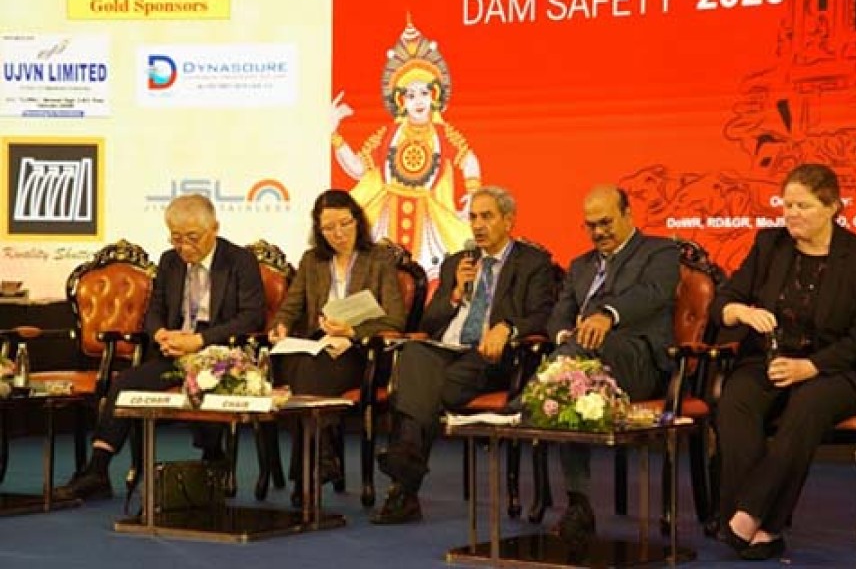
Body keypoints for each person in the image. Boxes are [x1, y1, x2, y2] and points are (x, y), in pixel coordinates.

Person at [713, 163, 856, 560]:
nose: (791, 213)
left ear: (833, 207)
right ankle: (759, 526)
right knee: (736, 400)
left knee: (807, 405)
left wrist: (810, 367)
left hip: (833, 369)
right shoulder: (769, 244)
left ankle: (753, 516)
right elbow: (723, 302)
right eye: (787, 204)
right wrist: (741, 312)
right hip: (769, 359)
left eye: (803, 206)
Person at [56, 194, 266, 500]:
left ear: (214, 228)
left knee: (203, 382)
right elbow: (153, 312)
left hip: (220, 352)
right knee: (125, 383)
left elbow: (251, 316)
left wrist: (199, 341)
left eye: (192, 238)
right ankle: (97, 470)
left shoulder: (239, 261)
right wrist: (162, 335)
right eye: (176, 238)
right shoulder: (169, 261)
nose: (184, 247)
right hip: (175, 349)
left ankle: (213, 456)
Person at [370, 185, 555, 524]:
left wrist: (508, 327)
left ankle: (404, 480)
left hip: (490, 354)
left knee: (426, 389)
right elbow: (429, 322)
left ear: (508, 221)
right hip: (448, 349)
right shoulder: (457, 262)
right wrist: (455, 293)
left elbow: (544, 314)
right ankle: (407, 469)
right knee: (413, 351)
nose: (478, 225)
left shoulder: (532, 263)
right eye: (473, 217)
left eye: (487, 216)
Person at [548, 185, 680, 542]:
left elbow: (652, 294)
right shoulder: (580, 266)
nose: (598, 232)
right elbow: (559, 314)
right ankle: (578, 504)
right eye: (590, 225)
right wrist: (565, 335)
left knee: (562, 380)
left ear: (628, 215)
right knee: (571, 385)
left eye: (605, 222)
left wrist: (607, 315)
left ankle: (527, 403)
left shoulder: (660, 251)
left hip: (639, 362)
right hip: (583, 360)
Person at [268, 189, 406, 481]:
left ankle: (310, 466)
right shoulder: (312, 261)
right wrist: (280, 326)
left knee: (305, 369)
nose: (338, 233)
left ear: (357, 220)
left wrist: (352, 331)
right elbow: (290, 307)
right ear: (318, 230)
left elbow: (395, 318)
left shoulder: (378, 259)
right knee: (293, 362)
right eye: (329, 228)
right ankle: (321, 456)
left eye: (345, 223)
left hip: (360, 350)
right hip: (319, 346)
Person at [332, 17, 482, 281]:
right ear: (401, 101)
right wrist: (335, 134)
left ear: (435, 96)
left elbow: (468, 159)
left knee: (432, 276)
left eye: (424, 93)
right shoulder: (388, 135)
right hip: (386, 213)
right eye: (411, 96)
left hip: (428, 218)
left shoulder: (442, 134)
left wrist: (472, 192)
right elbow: (358, 169)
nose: (418, 101)